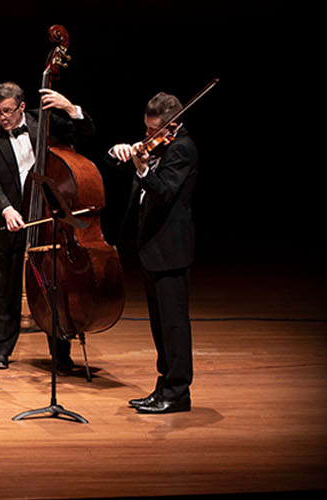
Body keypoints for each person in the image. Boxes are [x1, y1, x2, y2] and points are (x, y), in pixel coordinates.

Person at [0, 82, 96, 374]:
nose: (2, 117)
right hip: (12, 220)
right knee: (6, 289)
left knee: (54, 286)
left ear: (21, 106)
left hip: (46, 217)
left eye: (7, 111)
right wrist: (6, 208)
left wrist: (70, 108)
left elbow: (86, 133)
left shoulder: (44, 122)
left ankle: (61, 354)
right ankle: (1, 349)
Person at [104, 92, 198, 414]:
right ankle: (164, 386)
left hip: (170, 249)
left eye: (153, 131)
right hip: (152, 248)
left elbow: (165, 193)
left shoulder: (182, 149)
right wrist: (117, 152)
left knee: (174, 325)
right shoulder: (159, 145)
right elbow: (115, 166)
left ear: (172, 126)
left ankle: (178, 392)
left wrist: (143, 170)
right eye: (146, 129)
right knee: (160, 325)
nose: (147, 136)